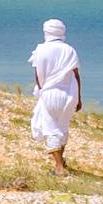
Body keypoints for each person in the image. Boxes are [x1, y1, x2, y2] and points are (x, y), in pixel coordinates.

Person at [28, 18, 81, 175]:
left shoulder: (41, 50)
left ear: (46, 32)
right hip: (70, 94)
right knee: (62, 127)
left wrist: (42, 89)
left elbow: (38, 75)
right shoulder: (70, 50)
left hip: (50, 92)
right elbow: (76, 75)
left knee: (50, 128)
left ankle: (59, 168)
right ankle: (61, 162)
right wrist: (79, 97)